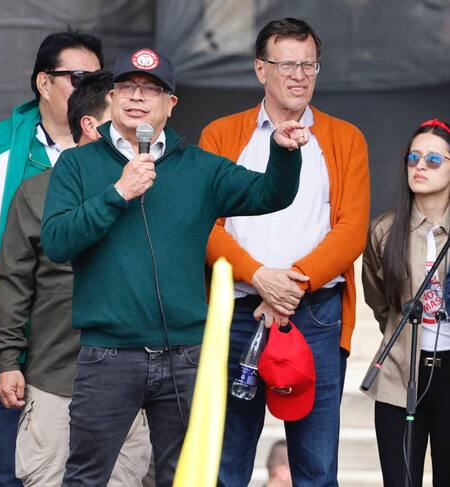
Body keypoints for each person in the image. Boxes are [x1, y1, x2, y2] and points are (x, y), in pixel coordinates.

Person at [41, 47, 307, 486]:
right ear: (112, 97)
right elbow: (56, 242)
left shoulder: (198, 167)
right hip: (108, 355)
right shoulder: (78, 163)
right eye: (127, 86)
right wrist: (118, 193)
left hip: (185, 355)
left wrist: (283, 152)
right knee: (86, 477)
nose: (137, 96)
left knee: (183, 477)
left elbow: (270, 194)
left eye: (151, 89)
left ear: (170, 104)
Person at [200, 18, 370, 485]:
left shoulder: (346, 138)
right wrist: (259, 276)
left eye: (309, 64)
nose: (300, 75)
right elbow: (205, 226)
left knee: (316, 467)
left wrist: (289, 286)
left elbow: (351, 231)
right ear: (261, 69)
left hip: (313, 313)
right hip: (237, 312)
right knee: (226, 464)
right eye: (288, 64)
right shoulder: (221, 135)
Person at [0, 30, 103, 486]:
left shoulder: (113, 151)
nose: (91, 89)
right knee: (4, 470)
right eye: (78, 77)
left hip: (85, 343)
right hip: (8, 342)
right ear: (43, 82)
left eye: (99, 79)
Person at [0, 70, 152, 487]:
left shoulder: (148, 191)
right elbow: (13, 283)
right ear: (92, 126)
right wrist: (7, 361)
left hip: (131, 381)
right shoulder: (37, 192)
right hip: (55, 377)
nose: (135, 131)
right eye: (122, 121)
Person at [363, 119, 450, 487]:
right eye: (413, 158)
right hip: (400, 373)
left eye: (433, 159)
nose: (420, 166)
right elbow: (379, 300)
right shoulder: (384, 230)